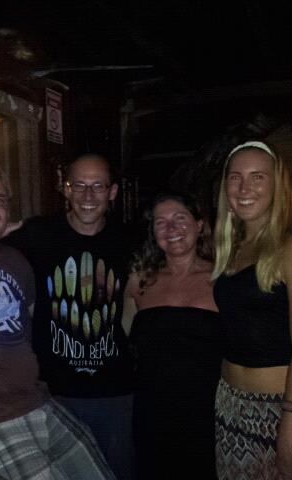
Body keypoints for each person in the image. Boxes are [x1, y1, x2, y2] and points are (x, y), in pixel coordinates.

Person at [0, 154, 136, 479]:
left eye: (0, 199)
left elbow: (27, 325)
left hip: (39, 402)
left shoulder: (16, 260)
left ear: (112, 192)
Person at [1, 154, 136, 480]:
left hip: (114, 391)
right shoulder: (38, 234)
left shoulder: (130, 241)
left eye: (98, 186)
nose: (88, 195)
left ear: (112, 192)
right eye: (79, 185)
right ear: (66, 188)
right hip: (52, 391)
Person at [212, 141, 292, 479]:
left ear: (278, 186)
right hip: (231, 406)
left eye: (258, 177)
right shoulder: (230, 249)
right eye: (235, 177)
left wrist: (289, 440)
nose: (244, 188)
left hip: (283, 409)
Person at [123, 192, 223, 479]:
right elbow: (119, 339)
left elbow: (256, 338)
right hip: (152, 415)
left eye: (180, 218)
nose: (171, 228)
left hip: (209, 417)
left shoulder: (224, 279)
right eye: (161, 222)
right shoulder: (140, 282)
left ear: (199, 225)